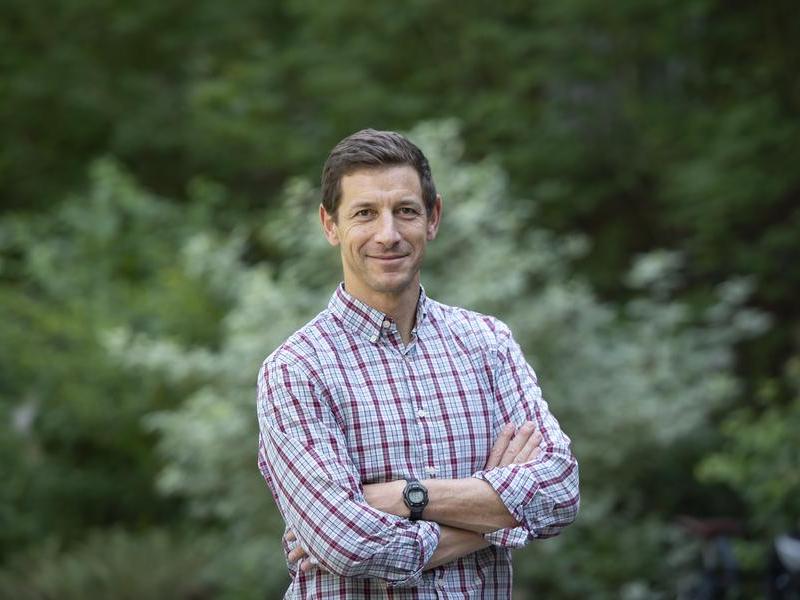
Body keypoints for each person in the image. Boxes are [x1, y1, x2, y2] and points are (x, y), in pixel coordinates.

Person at [256, 128, 579, 598]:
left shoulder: (488, 344)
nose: (387, 234)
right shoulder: (297, 369)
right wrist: (497, 520)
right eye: (365, 214)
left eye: (405, 211)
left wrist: (406, 497)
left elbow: (560, 491)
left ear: (433, 218)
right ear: (330, 225)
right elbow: (348, 542)